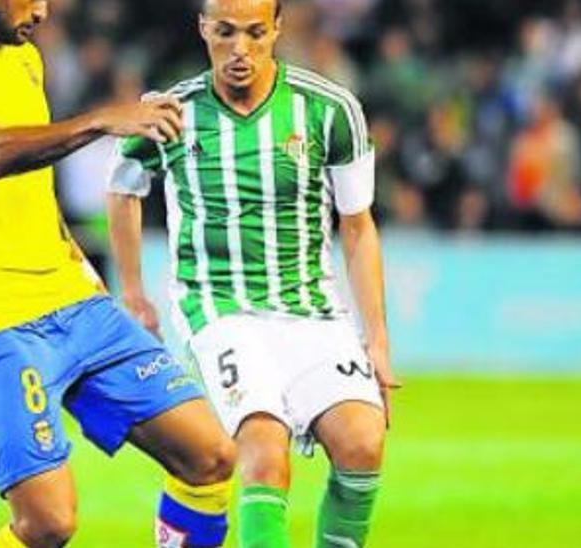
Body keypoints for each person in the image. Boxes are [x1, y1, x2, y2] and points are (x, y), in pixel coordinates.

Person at [0, 1, 239, 546]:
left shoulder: (25, 59)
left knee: (210, 455)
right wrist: (101, 119)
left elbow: (31, 192)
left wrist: (80, 265)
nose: (44, 12)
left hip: (73, 301)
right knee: (47, 523)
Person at [106, 0, 400, 546]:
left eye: (255, 33)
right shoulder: (171, 111)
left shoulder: (331, 110)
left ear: (278, 30)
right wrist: (134, 293)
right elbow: (124, 190)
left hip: (311, 308)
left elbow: (357, 227)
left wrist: (377, 340)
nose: (240, 50)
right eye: (225, 33)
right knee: (265, 453)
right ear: (202, 29)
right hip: (220, 308)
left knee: (363, 443)